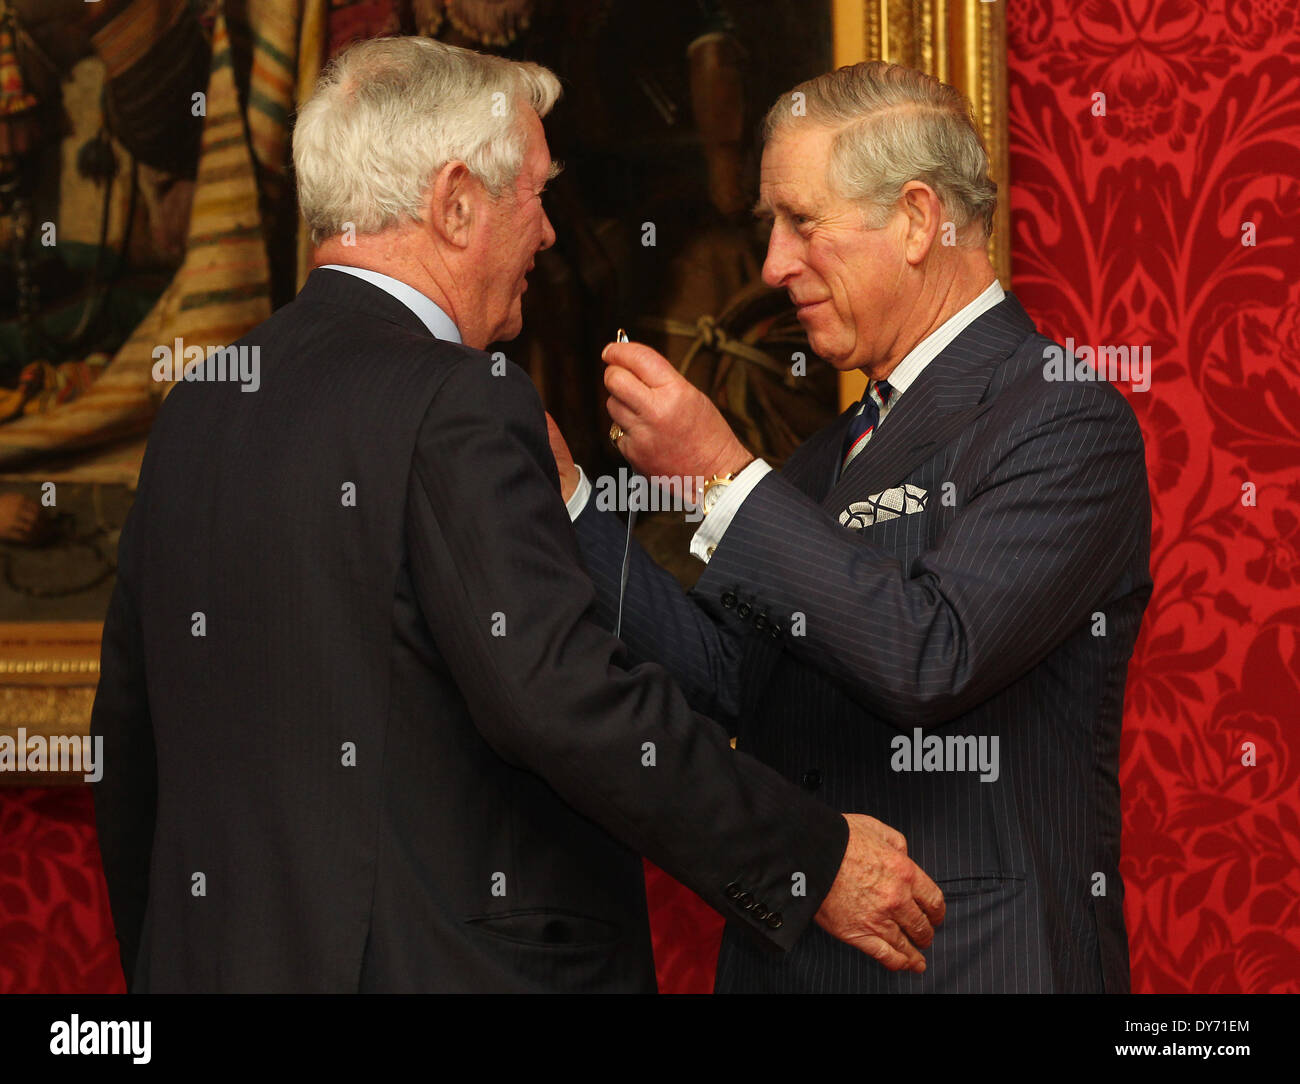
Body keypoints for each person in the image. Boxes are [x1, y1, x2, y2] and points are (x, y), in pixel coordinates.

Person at [88, 37, 945, 994]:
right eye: (534, 194)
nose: (546, 234)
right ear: (455, 203)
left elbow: (128, 749)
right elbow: (564, 701)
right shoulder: (459, 399)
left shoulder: (200, 407)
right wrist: (810, 856)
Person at [551, 61, 1152, 993]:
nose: (773, 266)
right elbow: (726, 680)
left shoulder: (1062, 418)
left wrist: (718, 473)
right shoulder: (830, 451)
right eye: (770, 227)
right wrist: (570, 506)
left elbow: (933, 654)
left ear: (917, 219)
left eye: (801, 221)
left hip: (963, 964)